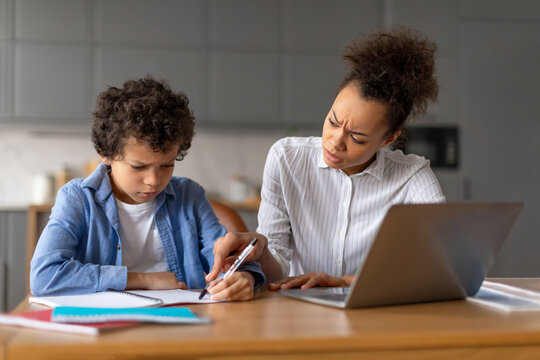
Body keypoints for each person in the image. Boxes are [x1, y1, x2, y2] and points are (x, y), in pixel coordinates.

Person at [206, 27, 445, 290]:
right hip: (299, 310)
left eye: (357, 138)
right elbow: (278, 267)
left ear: (388, 139)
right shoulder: (286, 159)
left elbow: (436, 268)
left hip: (376, 315)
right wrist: (261, 251)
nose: (335, 141)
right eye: (333, 121)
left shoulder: (414, 177)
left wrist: (344, 283)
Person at [30, 77, 265, 300]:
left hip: (186, 323)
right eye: (139, 166)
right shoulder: (78, 199)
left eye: (167, 165)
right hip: (106, 328)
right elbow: (44, 277)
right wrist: (144, 280)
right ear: (105, 153)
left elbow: (229, 262)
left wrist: (245, 277)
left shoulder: (190, 196)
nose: (154, 180)